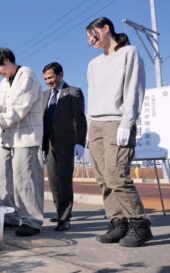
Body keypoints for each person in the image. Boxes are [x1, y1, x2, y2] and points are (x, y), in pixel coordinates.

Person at [86, 17, 153, 247]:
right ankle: (118, 222)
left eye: (93, 34)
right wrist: (89, 128)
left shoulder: (129, 53)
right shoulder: (93, 64)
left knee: (116, 173)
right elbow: (94, 97)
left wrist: (127, 122)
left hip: (117, 121)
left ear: (106, 29)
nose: (90, 40)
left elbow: (134, 88)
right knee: (102, 177)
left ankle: (139, 223)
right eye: (88, 38)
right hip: (95, 123)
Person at [0, 47, 44, 237]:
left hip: (26, 137)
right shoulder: (5, 83)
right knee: (0, 178)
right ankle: (9, 217)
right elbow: (7, 109)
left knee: (25, 180)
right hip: (8, 138)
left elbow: (19, 111)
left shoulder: (27, 75)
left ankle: (31, 220)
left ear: (7, 60)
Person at [42, 62, 87, 231]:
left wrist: (80, 142)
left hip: (67, 142)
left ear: (61, 75)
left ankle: (65, 217)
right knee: (53, 180)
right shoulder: (44, 95)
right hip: (49, 143)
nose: (48, 81)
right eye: (45, 78)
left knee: (65, 180)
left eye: (51, 77)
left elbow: (80, 119)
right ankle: (60, 212)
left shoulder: (73, 92)